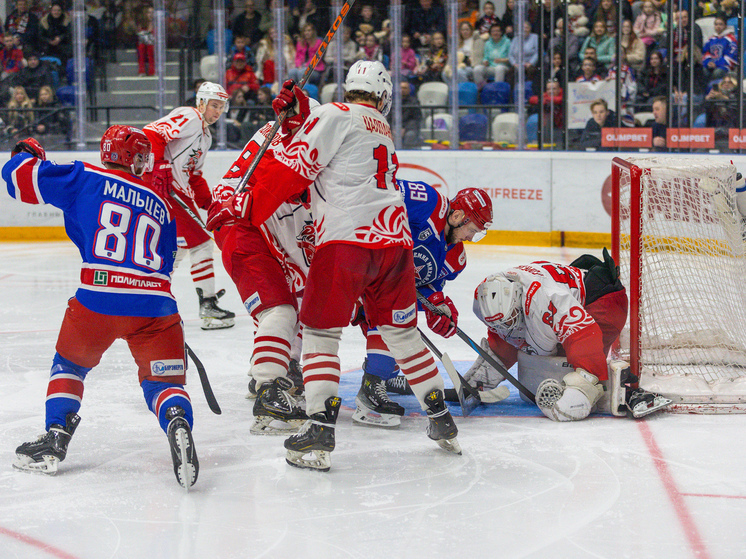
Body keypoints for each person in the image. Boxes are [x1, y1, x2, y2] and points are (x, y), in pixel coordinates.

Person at [206, 60, 462, 470]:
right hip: (394, 245)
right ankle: (441, 421)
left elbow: (296, 167)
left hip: (346, 242)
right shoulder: (382, 128)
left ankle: (319, 433)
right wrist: (299, 111)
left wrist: (248, 205)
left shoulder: (334, 114)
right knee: (404, 335)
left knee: (320, 334)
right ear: (383, 97)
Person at [5, 129, 198, 488]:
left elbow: (17, 180)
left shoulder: (84, 177)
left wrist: (26, 152)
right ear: (135, 159)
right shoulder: (162, 204)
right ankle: (176, 420)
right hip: (157, 305)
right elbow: (170, 258)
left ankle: (56, 436)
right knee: (163, 383)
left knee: (70, 365)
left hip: (99, 299)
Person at [210, 95, 322, 435]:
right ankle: (270, 391)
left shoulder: (281, 139)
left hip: (255, 226)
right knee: (281, 310)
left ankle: (275, 365)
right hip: (244, 228)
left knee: (295, 300)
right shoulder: (293, 143)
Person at [352, 183, 493, 428]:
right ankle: (281, 372)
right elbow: (379, 193)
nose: (471, 238)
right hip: (358, 264)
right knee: (318, 311)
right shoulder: (428, 201)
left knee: (398, 315)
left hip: (383, 290)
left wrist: (436, 306)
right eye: (472, 230)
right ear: (458, 216)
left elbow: (420, 291)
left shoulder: (455, 260)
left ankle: (381, 377)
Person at [468, 252, 670, 421]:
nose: (507, 327)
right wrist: (481, 379)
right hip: (571, 292)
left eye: (511, 318)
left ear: (520, 301)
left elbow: (584, 338)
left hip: (605, 302)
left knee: (568, 366)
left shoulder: (547, 301)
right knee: (530, 342)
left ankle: (626, 394)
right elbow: (505, 337)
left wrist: (582, 387)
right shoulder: (486, 299)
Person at [143, 81, 236, 330]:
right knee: (203, 243)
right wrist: (159, 168)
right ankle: (207, 306)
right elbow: (151, 134)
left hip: (177, 190)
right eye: (214, 105)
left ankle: (149, 294)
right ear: (202, 102)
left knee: (179, 247)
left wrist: (210, 203)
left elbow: (194, 176)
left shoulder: (205, 137)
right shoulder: (190, 116)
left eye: (221, 107)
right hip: (165, 189)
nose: (217, 111)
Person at [702, 15, 738, 82]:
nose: (718, 26)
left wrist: (716, 63)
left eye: (720, 24)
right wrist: (708, 62)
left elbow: (731, 57)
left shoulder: (731, 39)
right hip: (711, 64)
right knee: (703, 71)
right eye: (716, 24)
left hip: (724, 66)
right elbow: (705, 52)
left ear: (725, 26)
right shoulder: (711, 39)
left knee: (717, 73)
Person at [474, 23, 511, 87]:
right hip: (491, 67)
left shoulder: (507, 42)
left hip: (504, 67)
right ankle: (483, 89)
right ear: (490, 33)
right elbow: (485, 57)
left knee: (499, 68)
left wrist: (502, 60)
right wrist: (485, 61)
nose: (495, 33)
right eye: (493, 31)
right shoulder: (488, 43)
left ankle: (497, 89)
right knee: (477, 69)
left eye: (497, 31)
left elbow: (511, 58)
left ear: (501, 32)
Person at [39, 2, 72, 71]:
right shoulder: (44, 21)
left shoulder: (67, 20)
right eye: (54, 10)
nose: (56, 12)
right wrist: (49, 41)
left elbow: (69, 33)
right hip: (48, 46)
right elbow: (40, 36)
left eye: (58, 10)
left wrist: (60, 38)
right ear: (51, 11)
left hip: (63, 45)